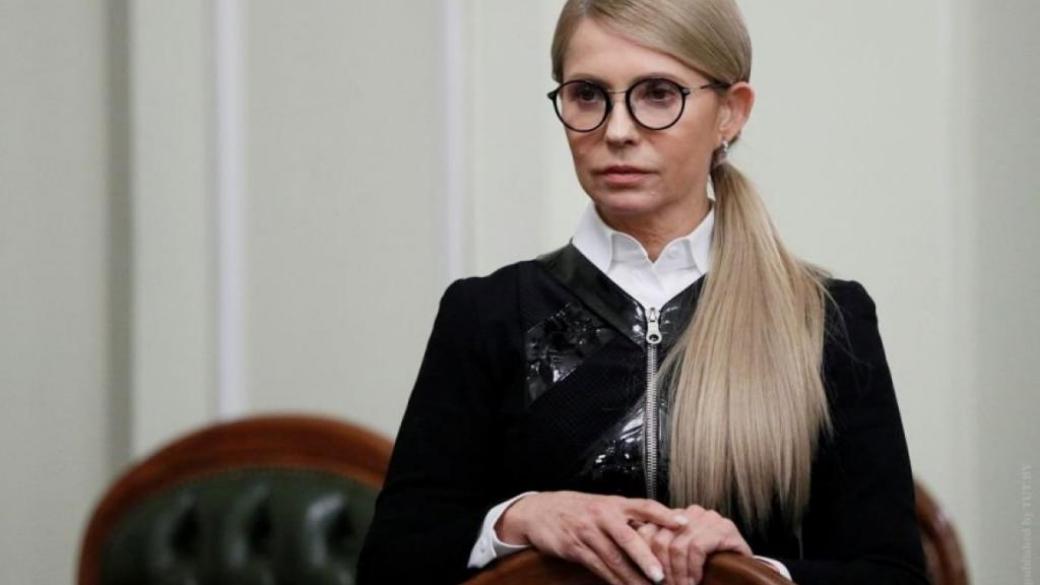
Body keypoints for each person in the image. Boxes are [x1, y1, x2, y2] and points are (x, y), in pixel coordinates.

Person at [357, 0, 927, 584]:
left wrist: (748, 571)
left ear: (730, 112)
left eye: (658, 94)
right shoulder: (486, 315)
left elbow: (894, 574)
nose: (618, 130)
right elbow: (391, 564)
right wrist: (518, 519)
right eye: (587, 94)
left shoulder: (822, 319)